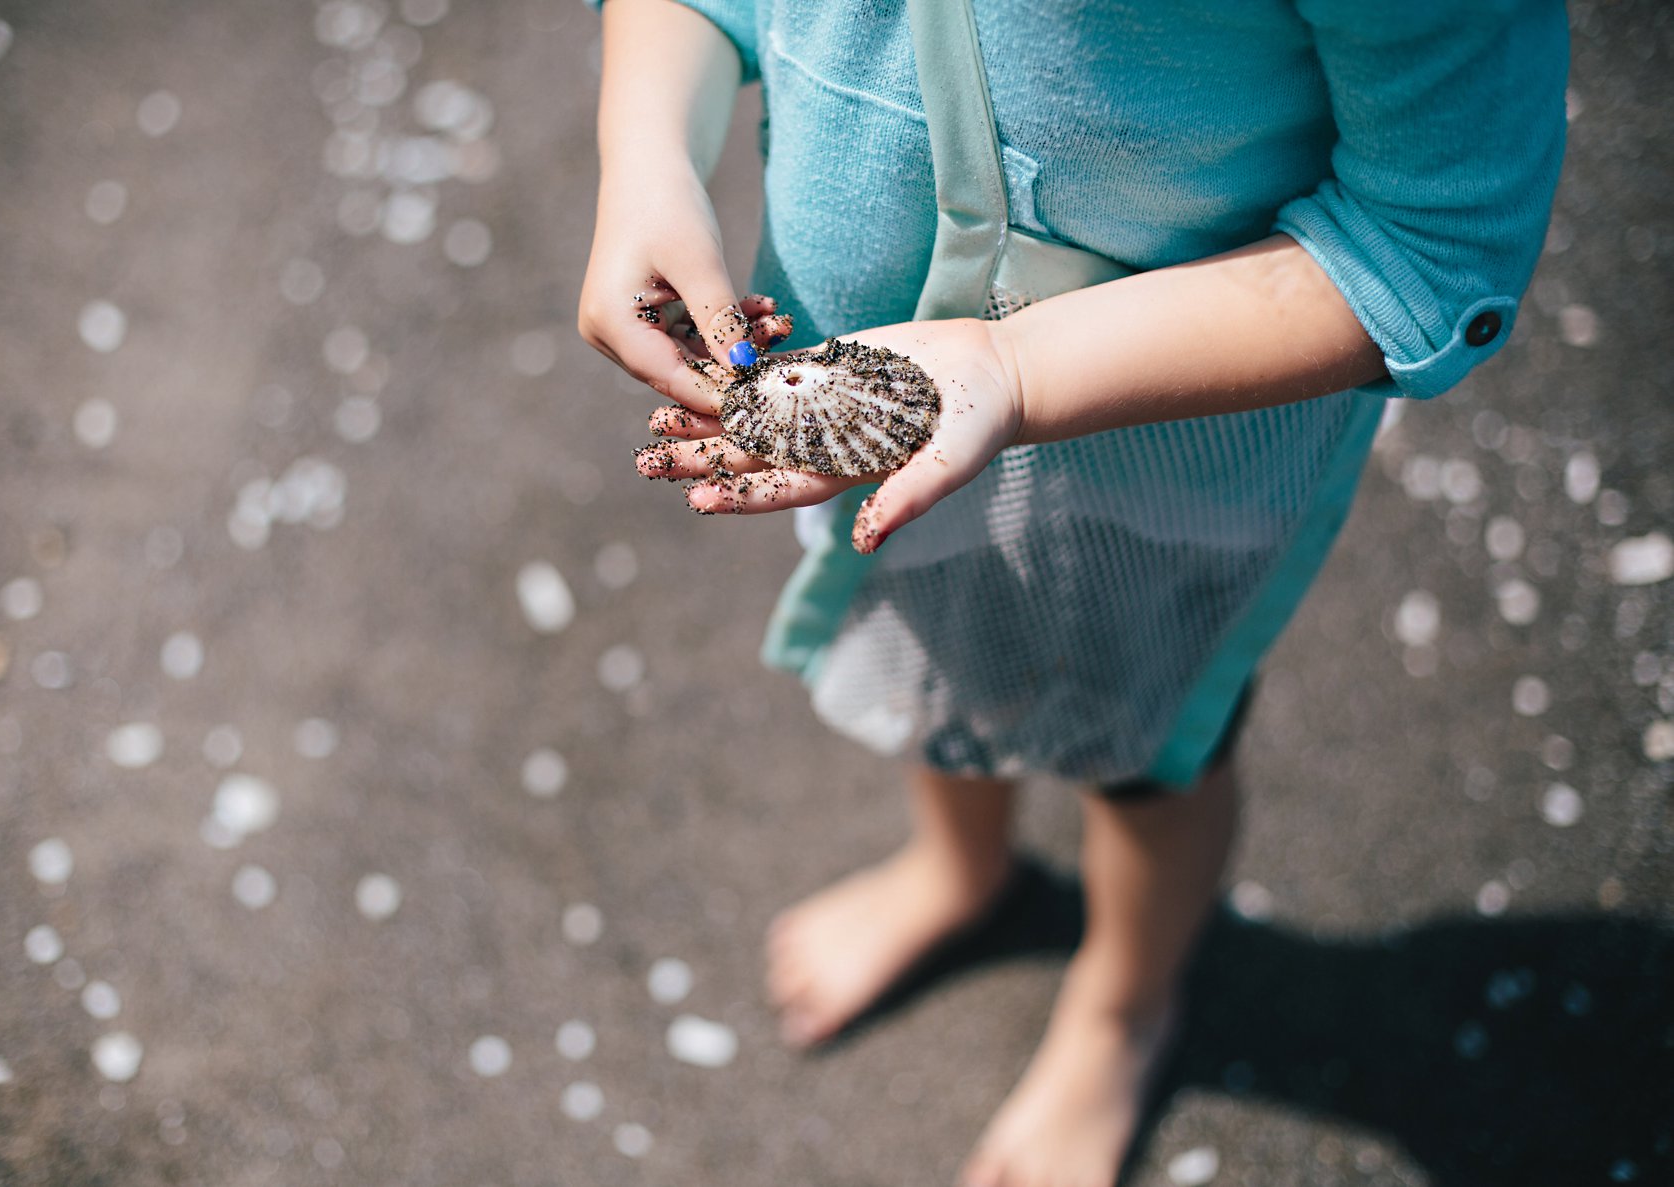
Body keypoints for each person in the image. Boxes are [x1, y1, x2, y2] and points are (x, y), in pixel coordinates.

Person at [578, 2, 1568, 1184]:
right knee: (937, 644)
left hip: (1159, 468)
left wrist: (1018, 368)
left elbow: (1429, 240)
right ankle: (961, 868)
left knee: (1148, 758)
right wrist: (646, 152)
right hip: (868, 401)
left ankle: (1121, 1006)